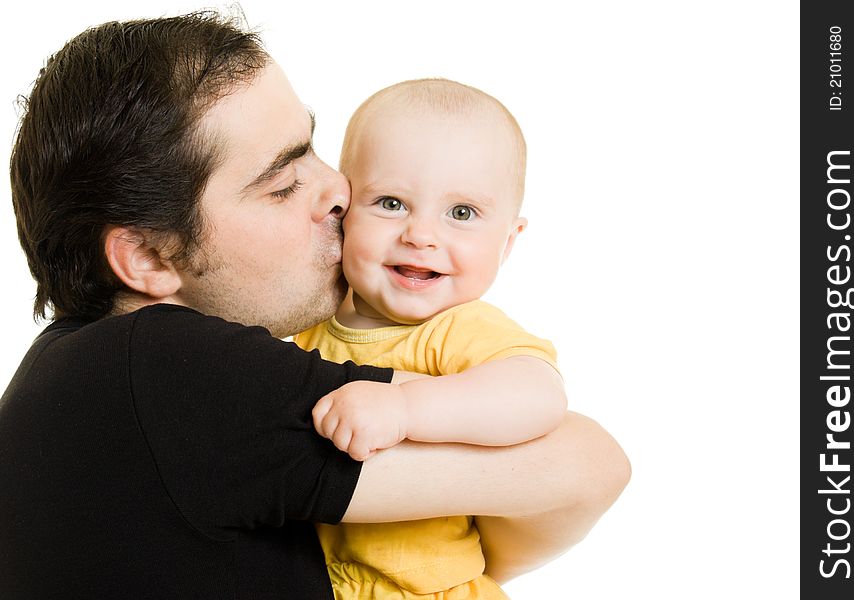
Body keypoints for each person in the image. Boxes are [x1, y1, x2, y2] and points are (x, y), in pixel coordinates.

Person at [0, 11, 630, 599]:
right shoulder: (160, 369)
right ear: (148, 257)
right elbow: (588, 464)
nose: (340, 190)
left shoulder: (67, 377)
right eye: (282, 183)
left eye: (313, 148)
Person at [294, 78, 566, 599]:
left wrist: (405, 409)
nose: (421, 235)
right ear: (343, 210)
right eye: (391, 203)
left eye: (461, 213)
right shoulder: (309, 325)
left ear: (508, 243)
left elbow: (538, 395)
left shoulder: (459, 329)